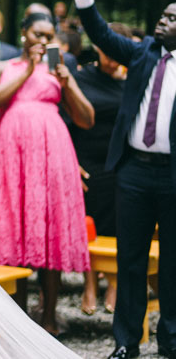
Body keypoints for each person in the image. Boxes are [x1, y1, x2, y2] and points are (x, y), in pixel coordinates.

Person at [73, 0, 176, 359]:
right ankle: (126, 342)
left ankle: (170, 339)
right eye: (162, 15)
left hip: (172, 175)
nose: (161, 21)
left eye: (170, 18)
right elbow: (100, 32)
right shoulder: (142, 52)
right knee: (129, 259)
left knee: (172, 263)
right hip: (133, 172)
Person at [0, 12, 94, 335]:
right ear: (23, 33)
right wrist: (27, 70)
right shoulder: (0, 67)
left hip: (51, 155)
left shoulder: (59, 72)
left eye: (48, 36)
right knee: (13, 229)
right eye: (37, 35)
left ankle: (49, 316)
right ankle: (18, 319)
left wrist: (66, 82)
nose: (42, 42)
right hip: (10, 158)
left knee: (49, 229)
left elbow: (86, 118)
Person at [70, 22, 131, 317]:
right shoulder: (82, 78)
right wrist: (71, 161)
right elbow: (68, 116)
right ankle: (90, 283)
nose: (111, 56)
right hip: (86, 162)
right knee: (88, 225)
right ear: (97, 46)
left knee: (120, 224)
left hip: (119, 162)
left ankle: (115, 285)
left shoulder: (132, 80)